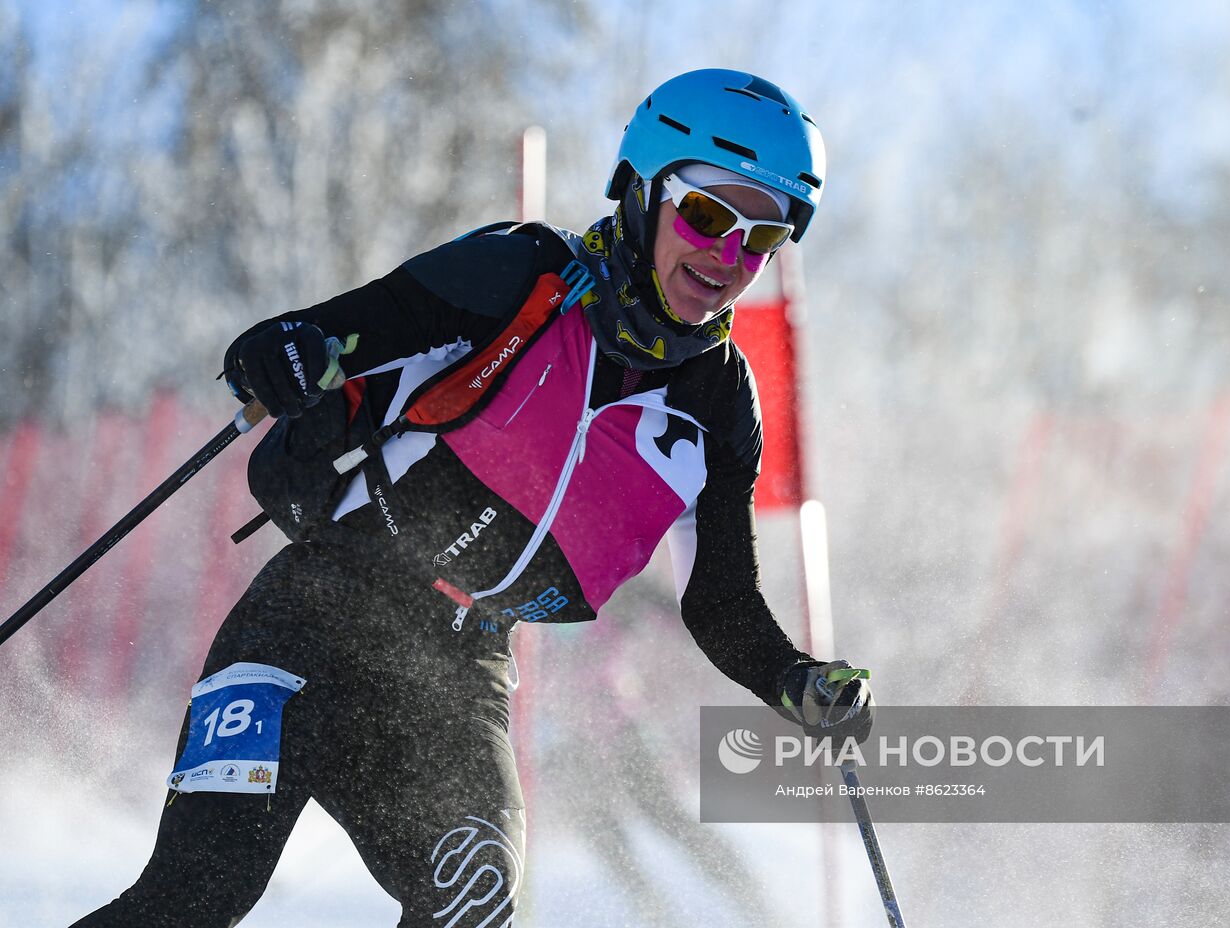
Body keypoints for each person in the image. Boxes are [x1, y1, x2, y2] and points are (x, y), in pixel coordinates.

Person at [74, 68, 873, 927]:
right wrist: (282, 354)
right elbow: (326, 332)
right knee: (195, 896)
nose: (728, 257)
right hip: (313, 620)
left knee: (475, 901)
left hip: (457, 669)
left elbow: (717, 602)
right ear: (642, 192)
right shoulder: (517, 275)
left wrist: (796, 680)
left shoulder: (720, 404)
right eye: (708, 215)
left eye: (763, 238)